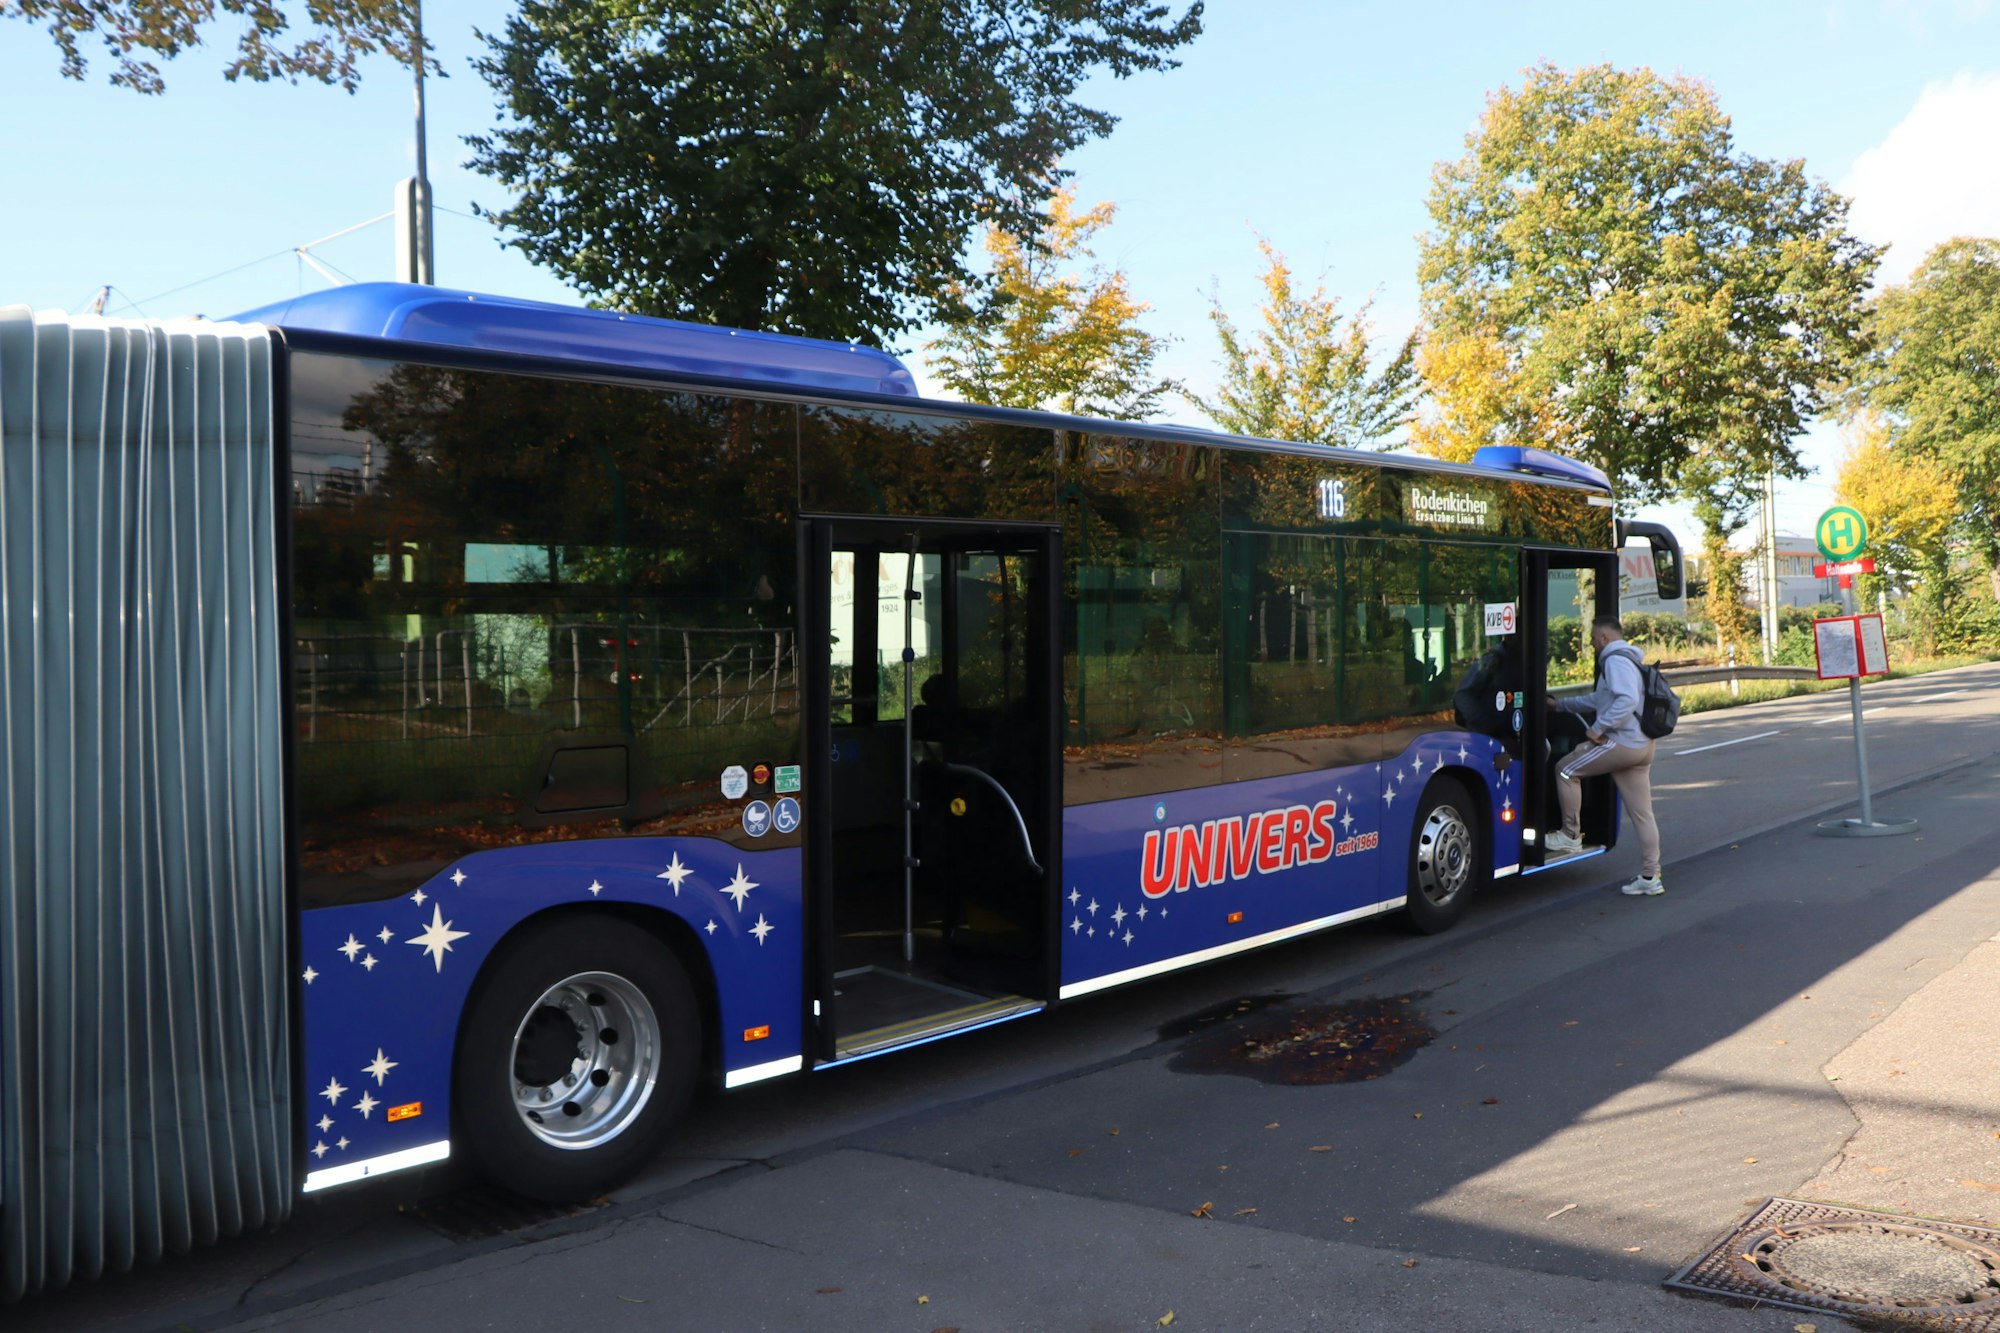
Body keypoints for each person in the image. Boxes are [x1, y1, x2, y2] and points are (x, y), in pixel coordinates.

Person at [1543, 614, 1664, 896]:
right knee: (1643, 814)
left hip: (1623, 743)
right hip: (1642, 744)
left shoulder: (1614, 660)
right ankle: (1650, 877)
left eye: (1594, 638)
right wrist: (1559, 706)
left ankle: (1571, 835)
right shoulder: (1630, 660)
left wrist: (1598, 729)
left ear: (1604, 639)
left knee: (1564, 769)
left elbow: (1626, 699)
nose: (1593, 643)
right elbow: (1597, 700)